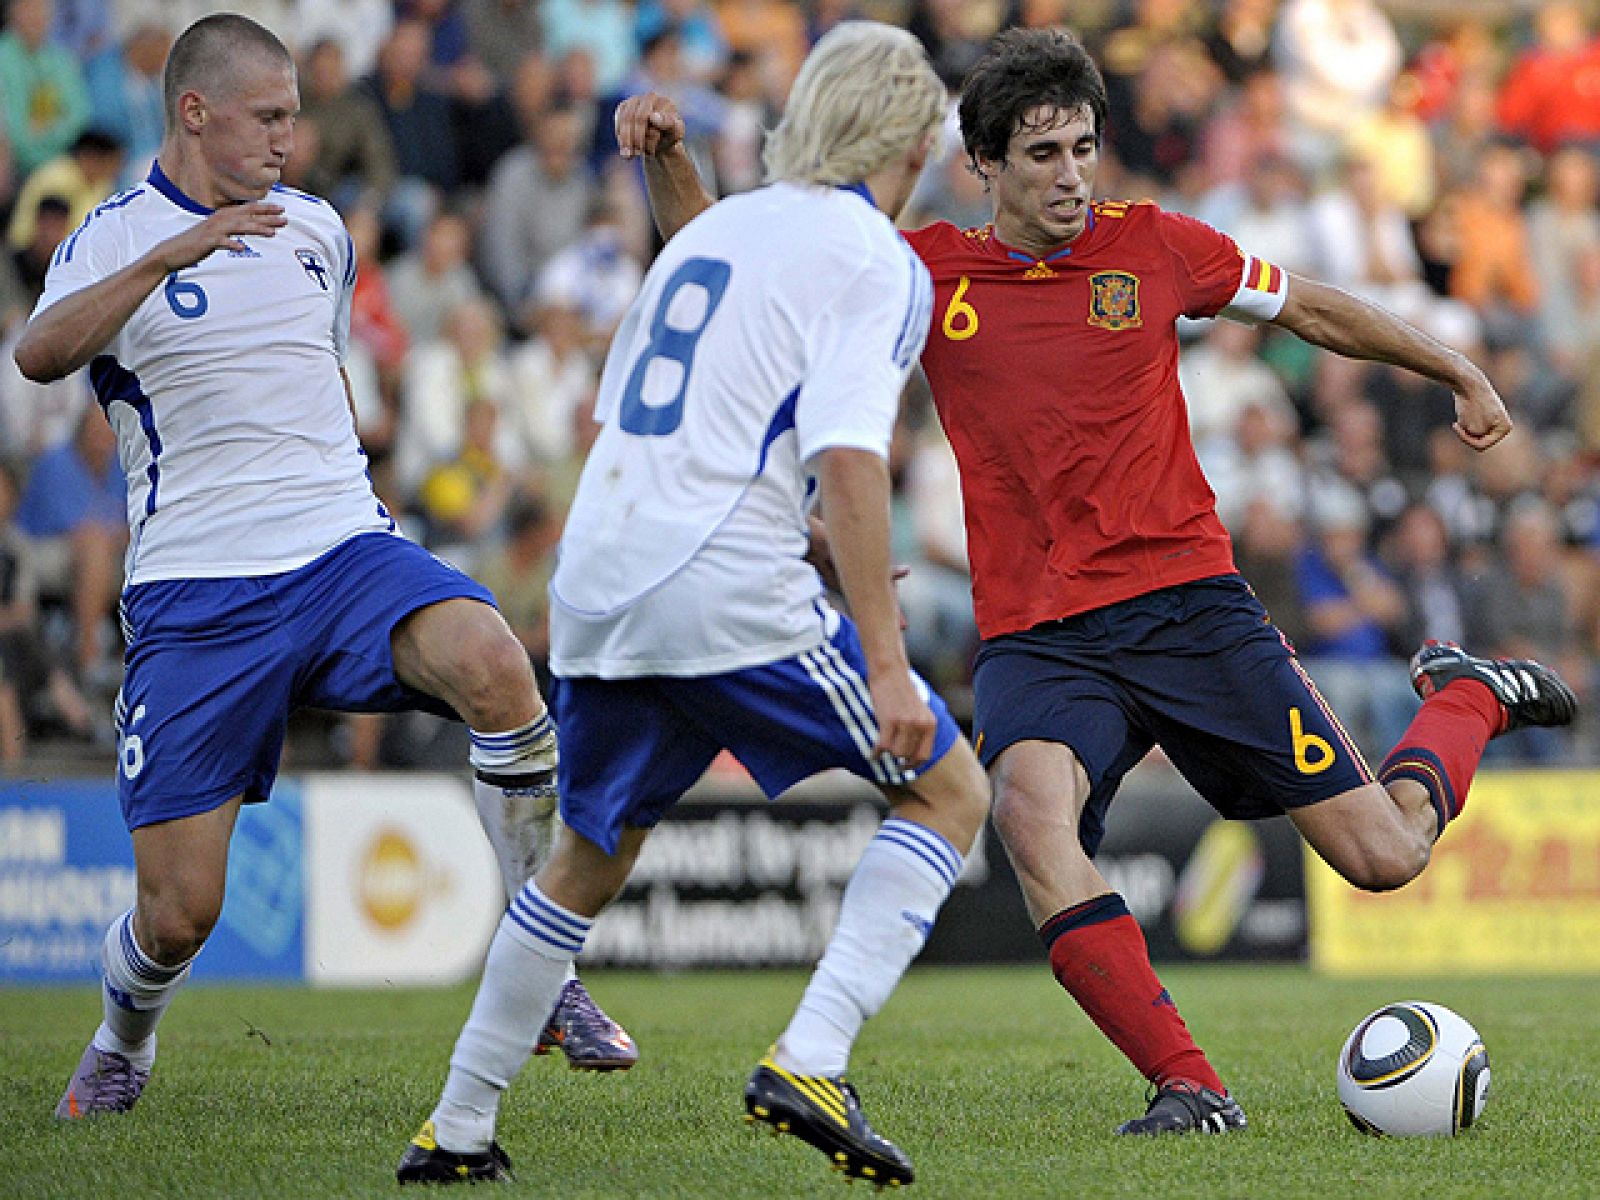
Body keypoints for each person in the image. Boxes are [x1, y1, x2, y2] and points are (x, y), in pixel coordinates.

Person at [616, 25, 1579, 1137]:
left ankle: (1465, 699)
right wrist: (669, 159)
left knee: (1385, 856)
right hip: (1039, 635)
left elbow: (1309, 305)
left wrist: (1453, 365)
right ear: (985, 164)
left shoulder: (1156, 246)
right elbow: (732, 279)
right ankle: (1191, 1087)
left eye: (1082, 148)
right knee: (1031, 821)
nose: (1071, 175)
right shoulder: (920, 273)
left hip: (1190, 609)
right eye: (1042, 155)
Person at [398, 22, 990, 1188]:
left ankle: (455, 1129)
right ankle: (812, 1058)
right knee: (948, 787)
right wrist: (883, 660)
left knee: (586, 860)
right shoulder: (877, 260)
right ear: (913, 138)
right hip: (718, 577)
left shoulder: (721, 233)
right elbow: (850, 457)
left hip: (601, 576)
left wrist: (669, 167)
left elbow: (710, 417)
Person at [25, 13, 633, 1125]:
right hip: (199, 589)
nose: (288, 139)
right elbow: (39, 352)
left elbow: (318, 370)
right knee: (178, 915)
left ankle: (543, 967)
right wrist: (166, 259)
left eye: (294, 117)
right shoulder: (115, 236)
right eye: (267, 117)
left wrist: (356, 486)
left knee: (496, 663)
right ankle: (123, 1040)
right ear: (194, 112)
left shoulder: (315, 229)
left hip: (341, 552)